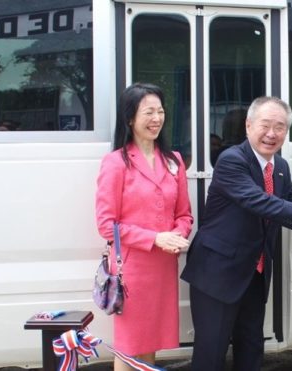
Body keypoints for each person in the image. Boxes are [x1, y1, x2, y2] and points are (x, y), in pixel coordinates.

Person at [181, 96, 292, 371]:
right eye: (265, 125)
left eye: (280, 127)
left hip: (255, 272)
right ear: (248, 126)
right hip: (218, 272)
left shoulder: (280, 166)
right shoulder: (231, 159)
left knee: (251, 348)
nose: (272, 134)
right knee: (211, 354)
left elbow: (289, 201)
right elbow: (258, 201)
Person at [95, 82, 193, 371]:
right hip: (132, 268)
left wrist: (177, 235)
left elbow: (185, 215)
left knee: (152, 341)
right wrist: (155, 238)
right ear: (130, 118)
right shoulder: (115, 163)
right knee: (129, 346)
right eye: (148, 112)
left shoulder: (174, 161)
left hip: (163, 265)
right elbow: (106, 225)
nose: (156, 118)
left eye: (160, 111)